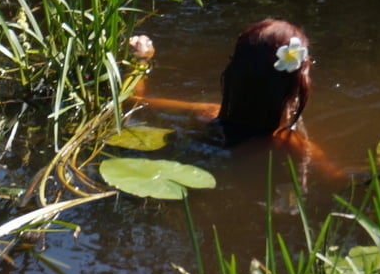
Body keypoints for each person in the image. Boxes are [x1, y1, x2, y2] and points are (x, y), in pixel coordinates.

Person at [129, 19, 345, 186]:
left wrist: (141, 61)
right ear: (299, 84)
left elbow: (136, 102)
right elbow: (338, 178)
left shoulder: (207, 115)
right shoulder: (294, 144)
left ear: (233, 75)